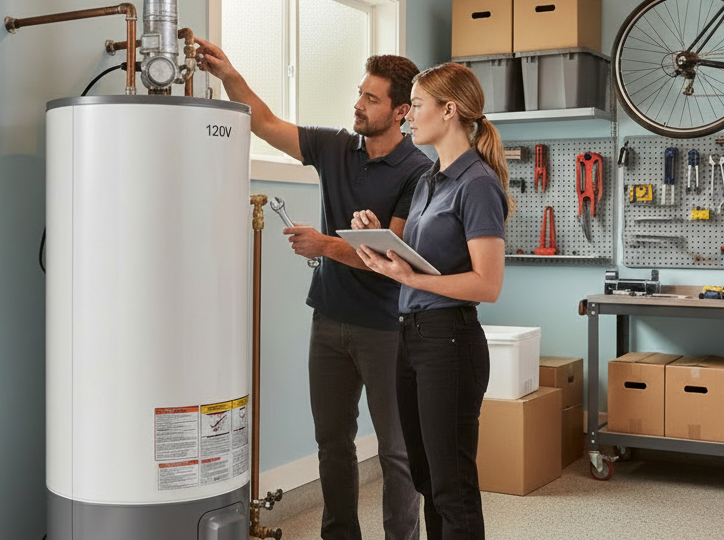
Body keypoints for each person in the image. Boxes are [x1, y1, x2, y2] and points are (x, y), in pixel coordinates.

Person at [195, 37, 429, 540]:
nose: (358, 105)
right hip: (329, 320)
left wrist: (325, 246)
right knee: (332, 443)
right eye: (359, 94)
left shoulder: (419, 172)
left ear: (402, 111)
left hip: (389, 329)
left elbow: (394, 256)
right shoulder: (335, 146)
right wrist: (228, 73)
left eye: (372, 99)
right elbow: (265, 122)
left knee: (397, 450)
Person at [352, 62, 509, 540]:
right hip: (411, 337)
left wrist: (411, 278)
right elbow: (422, 261)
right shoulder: (427, 181)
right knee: (424, 476)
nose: (408, 117)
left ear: (450, 110)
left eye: (416, 106)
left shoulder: (477, 184)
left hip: (450, 341)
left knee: (451, 485)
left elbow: (487, 284)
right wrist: (380, 248)